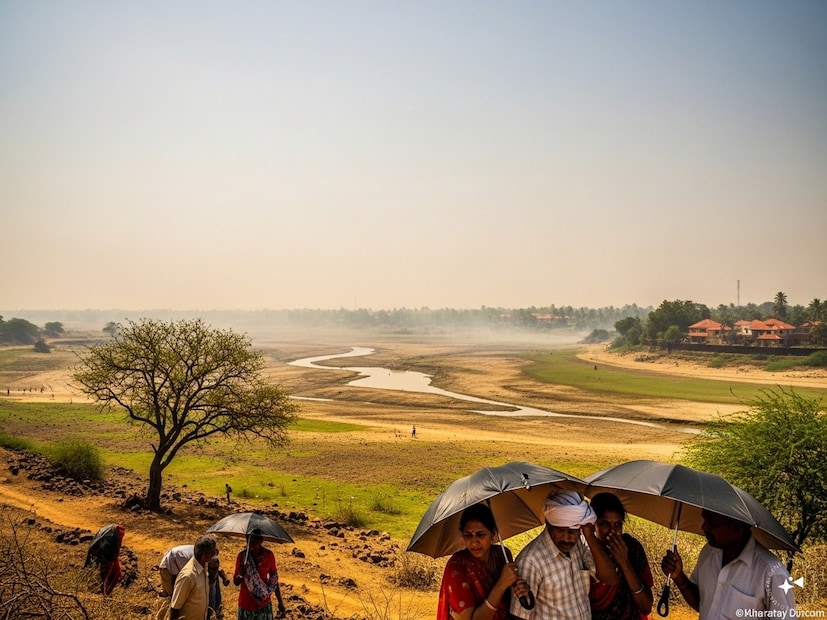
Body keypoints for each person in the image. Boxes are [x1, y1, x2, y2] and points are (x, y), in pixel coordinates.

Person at [661, 509, 795, 619]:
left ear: (737, 526)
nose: (703, 527)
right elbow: (702, 603)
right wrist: (679, 577)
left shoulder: (771, 573)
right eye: (704, 520)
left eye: (712, 523)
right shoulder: (709, 553)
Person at [509, 490, 618, 620]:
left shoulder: (577, 546)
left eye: (572, 531)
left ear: (580, 529)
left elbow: (611, 578)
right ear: (549, 524)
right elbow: (520, 616)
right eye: (560, 530)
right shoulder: (530, 561)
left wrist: (589, 536)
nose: (567, 538)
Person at [437, 503, 529, 620]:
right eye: (468, 535)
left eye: (480, 535)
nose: (474, 542)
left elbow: (509, 601)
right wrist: (501, 584)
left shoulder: (503, 555)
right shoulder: (457, 566)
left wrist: (519, 589)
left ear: (493, 534)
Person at [587, 493, 653, 619]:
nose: (612, 531)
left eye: (617, 524)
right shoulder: (585, 552)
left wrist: (624, 562)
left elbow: (646, 606)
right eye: (605, 524)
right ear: (593, 525)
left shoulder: (632, 548)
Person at [233, 529, 286, 619]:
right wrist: (241, 574)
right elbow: (236, 582)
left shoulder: (268, 556)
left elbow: (274, 580)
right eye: (250, 541)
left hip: (263, 603)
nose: (252, 544)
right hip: (246, 603)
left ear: (261, 541)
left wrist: (280, 603)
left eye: (255, 541)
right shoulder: (242, 557)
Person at [169, 535, 218, 620]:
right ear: (204, 555)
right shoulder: (188, 576)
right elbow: (175, 607)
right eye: (212, 553)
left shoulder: (204, 566)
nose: (214, 555)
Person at [208, 556, 230, 620]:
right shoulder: (203, 575)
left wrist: (225, 578)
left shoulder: (215, 573)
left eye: (216, 569)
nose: (214, 571)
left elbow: (219, 569)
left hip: (214, 597)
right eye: (212, 569)